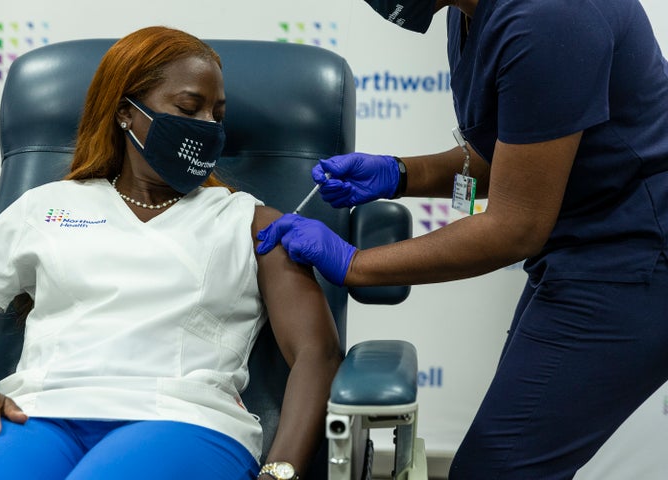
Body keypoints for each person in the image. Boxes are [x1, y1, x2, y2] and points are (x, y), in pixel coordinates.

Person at [257, 0, 668, 478]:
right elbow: (515, 156)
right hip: (583, 243)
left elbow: (515, 227)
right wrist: (401, 174)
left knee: (497, 469)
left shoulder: (550, 15)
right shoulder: (468, 12)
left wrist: (354, 264)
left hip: (638, 256)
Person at [0, 26, 341, 480]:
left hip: (182, 420)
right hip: (34, 413)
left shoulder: (250, 221)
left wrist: (281, 469)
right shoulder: (47, 205)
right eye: (189, 109)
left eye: (218, 114)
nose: (209, 128)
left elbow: (318, 352)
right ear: (125, 114)